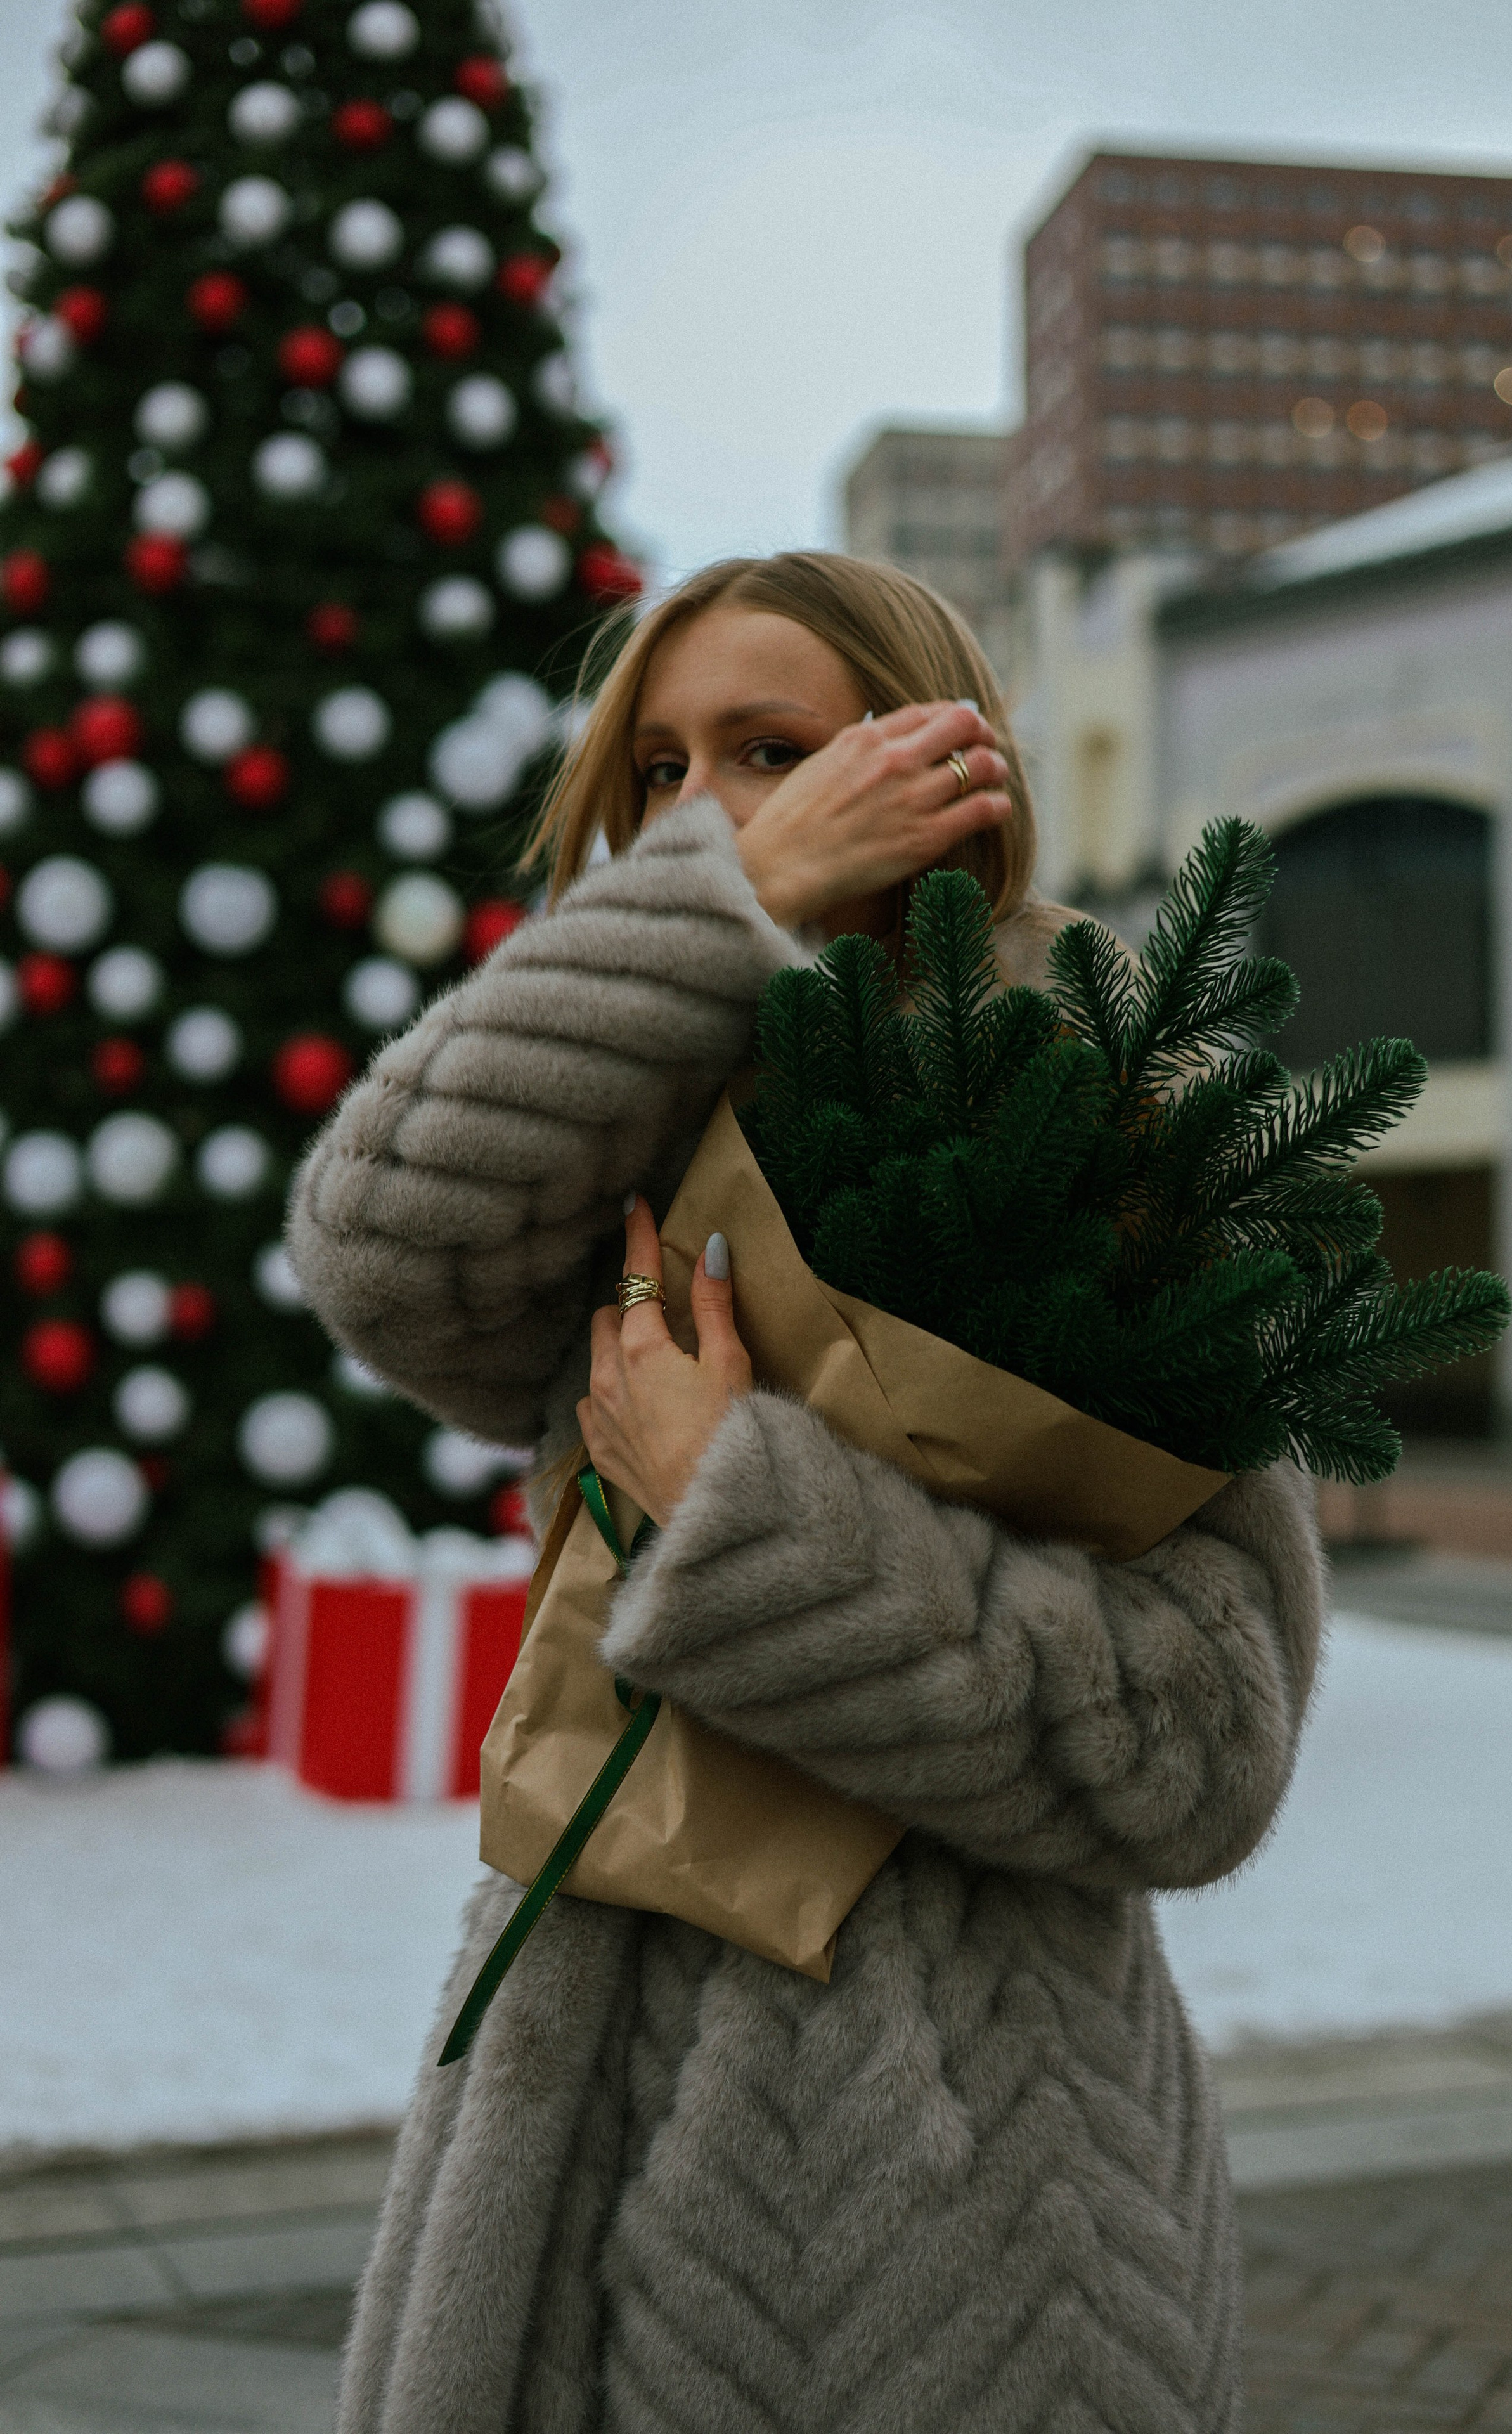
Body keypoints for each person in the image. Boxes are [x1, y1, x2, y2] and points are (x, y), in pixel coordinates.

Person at [288, 551, 1323, 2434]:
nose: (702, 815)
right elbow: (383, 1248)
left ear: (940, 767)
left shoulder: (1104, 1127)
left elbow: (1195, 1740)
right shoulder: (635, 1113)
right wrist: (715, 917)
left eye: (766, 750)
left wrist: (742, 1517)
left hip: (957, 2195)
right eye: (656, 780)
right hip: (556, 2116)